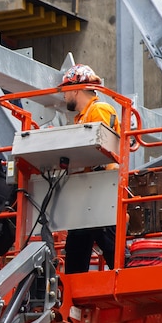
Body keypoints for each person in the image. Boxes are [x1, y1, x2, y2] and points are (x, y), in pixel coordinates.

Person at [59, 64, 121, 274]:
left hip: (101, 188)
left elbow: (104, 150)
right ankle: (73, 293)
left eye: (66, 90)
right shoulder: (83, 117)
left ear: (75, 89)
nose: (64, 95)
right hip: (88, 193)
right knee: (77, 244)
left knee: (107, 239)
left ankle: (126, 274)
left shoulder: (99, 110)